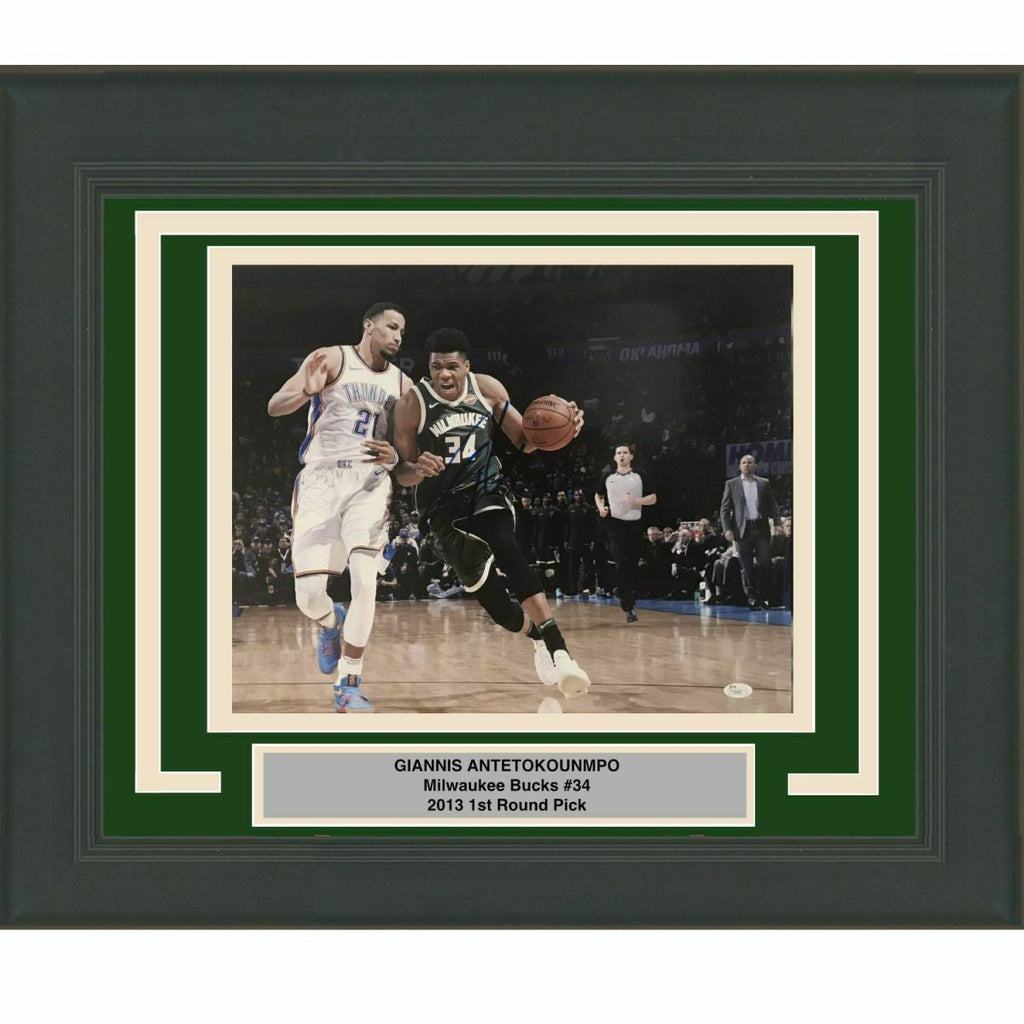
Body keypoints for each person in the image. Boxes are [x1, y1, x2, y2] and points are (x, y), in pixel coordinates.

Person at [391, 327, 591, 698]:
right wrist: (417, 468)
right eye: (436, 367)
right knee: (497, 606)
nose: (444, 374)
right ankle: (536, 637)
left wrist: (565, 428)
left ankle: (561, 652)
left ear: (466, 366)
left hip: (485, 492)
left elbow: (526, 442)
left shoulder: (488, 390)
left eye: (452, 366)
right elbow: (401, 474)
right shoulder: (411, 405)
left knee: (506, 546)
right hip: (442, 510)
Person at [267, 302, 412, 712]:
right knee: (309, 596)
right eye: (391, 327)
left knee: (366, 580)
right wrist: (305, 391)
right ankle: (331, 622)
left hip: (369, 483)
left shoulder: (404, 384)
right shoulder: (331, 358)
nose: (398, 336)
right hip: (321, 480)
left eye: (402, 331)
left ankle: (349, 682)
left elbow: (406, 449)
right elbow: (275, 405)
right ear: (368, 326)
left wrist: (396, 458)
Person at [594, 444, 657, 622]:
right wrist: (601, 508)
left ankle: (624, 591)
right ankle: (628, 605)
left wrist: (637, 500)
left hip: (635, 524)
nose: (621, 455)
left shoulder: (640, 475)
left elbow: (653, 498)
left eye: (625, 453)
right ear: (615, 457)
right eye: (618, 453)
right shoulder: (608, 476)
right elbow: (598, 495)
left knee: (632, 564)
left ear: (631, 456)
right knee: (621, 561)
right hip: (615, 524)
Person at [719, 453, 781, 610]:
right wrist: (727, 529)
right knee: (746, 567)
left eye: (750, 462)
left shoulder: (764, 483)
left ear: (755, 466)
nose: (747, 465)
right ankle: (752, 598)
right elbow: (724, 509)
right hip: (742, 529)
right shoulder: (731, 484)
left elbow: (773, 504)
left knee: (765, 563)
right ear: (740, 466)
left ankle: (763, 596)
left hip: (761, 527)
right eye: (744, 462)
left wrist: (778, 523)